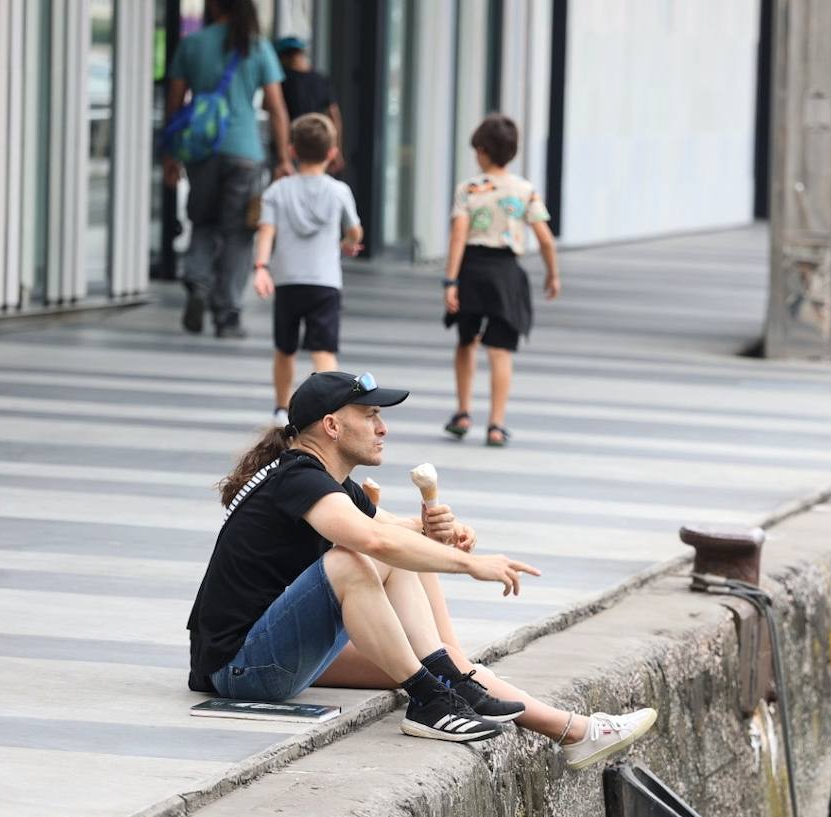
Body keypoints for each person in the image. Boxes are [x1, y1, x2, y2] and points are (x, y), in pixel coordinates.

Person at [188, 370, 657, 764]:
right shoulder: (298, 477)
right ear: (331, 425)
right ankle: (430, 702)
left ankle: (574, 732)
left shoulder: (328, 483)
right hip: (242, 670)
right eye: (370, 415)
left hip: (271, 654)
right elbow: (372, 540)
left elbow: (394, 531)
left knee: (443, 656)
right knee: (356, 560)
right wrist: (469, 565)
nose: (382, 427)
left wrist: (437, 532)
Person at [165, 0, 292, 339]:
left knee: (203, 221)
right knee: (238, 232)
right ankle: (227, 315)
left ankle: (198, 281)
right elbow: (277, 107)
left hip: (202, 149)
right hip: (245, 151)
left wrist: (170, 156)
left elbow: (174, 104)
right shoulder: (256, 45)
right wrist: (284, 159)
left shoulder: (192, 44)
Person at [441, 114, 560, 448]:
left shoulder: (469, 189)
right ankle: (496, 423)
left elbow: (458, 235)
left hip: (473, 270)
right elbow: (546, 239)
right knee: (501, 350)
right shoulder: (525, 190)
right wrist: (552, 274)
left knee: (467, 341)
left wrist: (450, 281)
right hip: (508, 273)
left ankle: (463, 412)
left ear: (481, 150)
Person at [253, 114, 362, 427]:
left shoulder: (277, 191)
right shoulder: (339, 191)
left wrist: (261, 267)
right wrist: (349, 243)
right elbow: (355, 231)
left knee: (285, 348)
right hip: (325, 281)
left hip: (287, 280)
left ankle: (279, 408)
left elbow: (266, 232)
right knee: (323, 349)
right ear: (332, 152)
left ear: (292, 150)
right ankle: (331, 409)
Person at [273, 36, 345, 175]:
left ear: (283, 57)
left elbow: (271, 108)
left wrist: (283, 155)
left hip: (292, 146)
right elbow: (335, 117)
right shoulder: (321, 80)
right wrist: (336, 149)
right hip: (318, 145)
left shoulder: (283, 80)